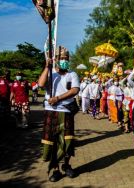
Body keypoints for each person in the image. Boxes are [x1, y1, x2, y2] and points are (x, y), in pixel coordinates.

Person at [38, 46, 80, 182]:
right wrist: (46, 67)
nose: (64, 61)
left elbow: (74, 90)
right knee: (53, 141)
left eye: (66, 59)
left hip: (66, 111)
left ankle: (66, 165)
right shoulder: (50, 73)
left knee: (67, 140)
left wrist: (57, 98)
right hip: (51, 112)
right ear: (56, 59)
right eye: (61, 58)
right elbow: (40, 84)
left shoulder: (72, 74)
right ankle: (55, 169)